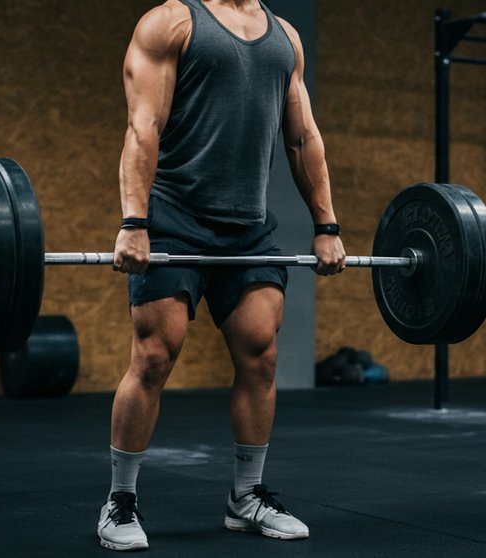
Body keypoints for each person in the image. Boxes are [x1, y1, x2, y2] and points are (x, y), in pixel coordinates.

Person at [100, 0, 346, 551]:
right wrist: (134, 223)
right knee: (155, 355)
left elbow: (303, 137)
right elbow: (144, 126)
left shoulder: (285, 37)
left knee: (261, 355)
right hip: (173, 220)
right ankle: (120, 500)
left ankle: (246, 496)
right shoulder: (171, 23)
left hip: (248, 228)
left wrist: (327, 224)